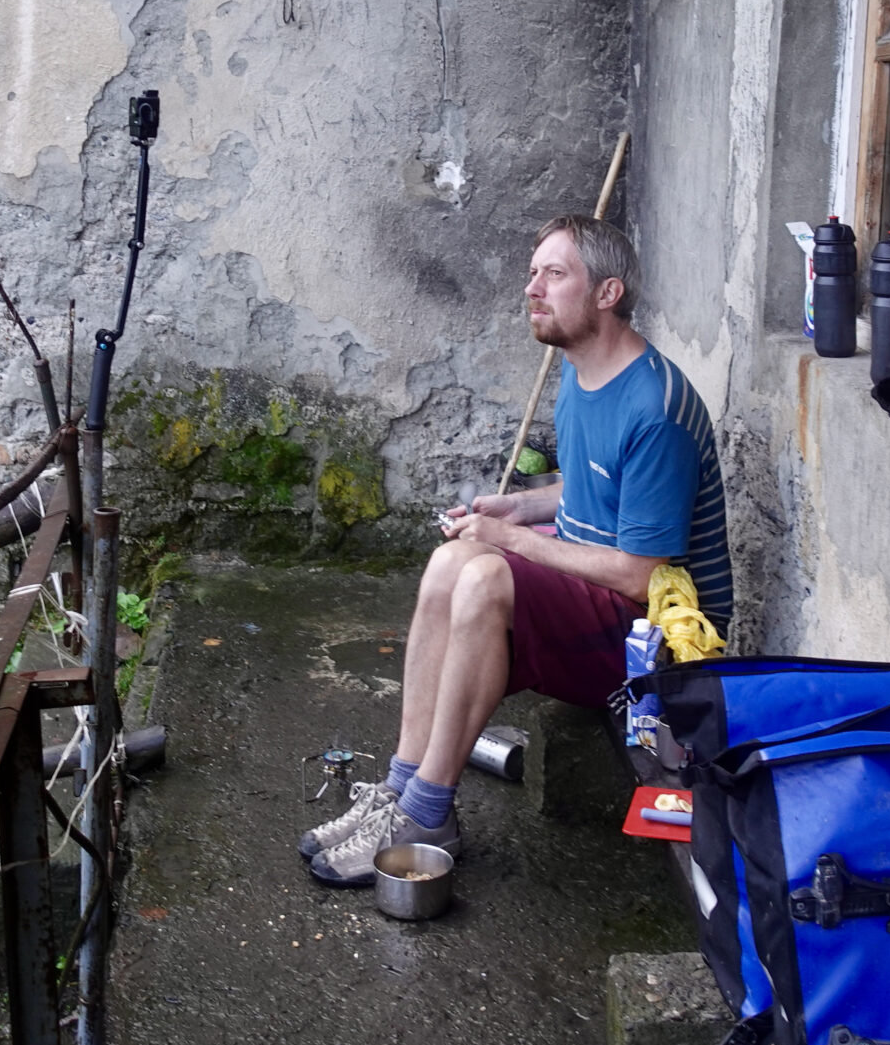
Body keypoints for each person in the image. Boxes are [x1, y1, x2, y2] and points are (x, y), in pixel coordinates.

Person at [301, 213, 732, 886]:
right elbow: (593, 498)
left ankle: (429, 812)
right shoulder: (580, 373)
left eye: (554, 274)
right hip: (603, 601)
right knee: (451, 561)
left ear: (608, 292)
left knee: (484, 579)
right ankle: (402, 789)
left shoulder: (656, 407)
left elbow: (639, 574)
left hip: (658, 648)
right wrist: (518, 508)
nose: (533, 288)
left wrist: (509, 541)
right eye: (533, 273)